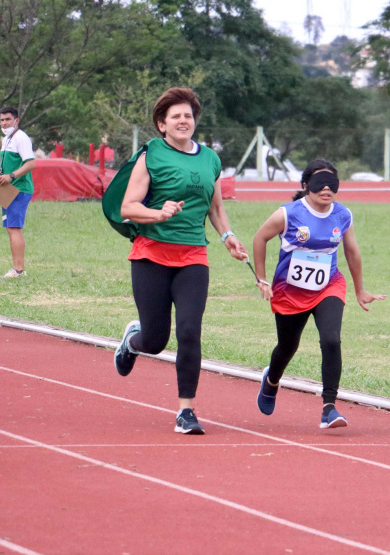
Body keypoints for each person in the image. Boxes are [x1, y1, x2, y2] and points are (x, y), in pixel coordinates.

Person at [110, 87, 248, 435]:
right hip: (151, 256)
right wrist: (158, 213)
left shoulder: (210, 160)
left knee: (189, 331)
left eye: (188, 115)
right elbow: (128, 207)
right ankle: (132, 341)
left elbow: (216, 207)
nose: (183, 120)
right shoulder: (151, 155)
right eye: (176, 116)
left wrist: (227, 236)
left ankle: (186, 411)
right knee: (156, 340)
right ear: (162, 125)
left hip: (192, 257)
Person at [251, 159, 385, 428]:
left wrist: (360, 290)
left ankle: (329, 408)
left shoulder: (342, 215)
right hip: (289, 290)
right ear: (305, 186)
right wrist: (262, 278)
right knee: (287, 346)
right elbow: (259, 238)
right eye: (319, 182)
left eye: (332, 182)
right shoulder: (288, 214)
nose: (326, 188)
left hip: (329, 285)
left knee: (331, 340)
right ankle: (272, 379)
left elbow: (352, 252)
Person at [0, 106, 35, 278]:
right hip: (8, 189)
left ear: (16, 121)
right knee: (10, 228)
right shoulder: (6, 139)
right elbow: (4, 167)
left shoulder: (21, 138)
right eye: (2, 120)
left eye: (8, 120)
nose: (4, 123)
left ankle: (18, 270)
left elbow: (30, 164)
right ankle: (16, 268)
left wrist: (11, 176)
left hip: (19, 190)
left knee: (14, 228)